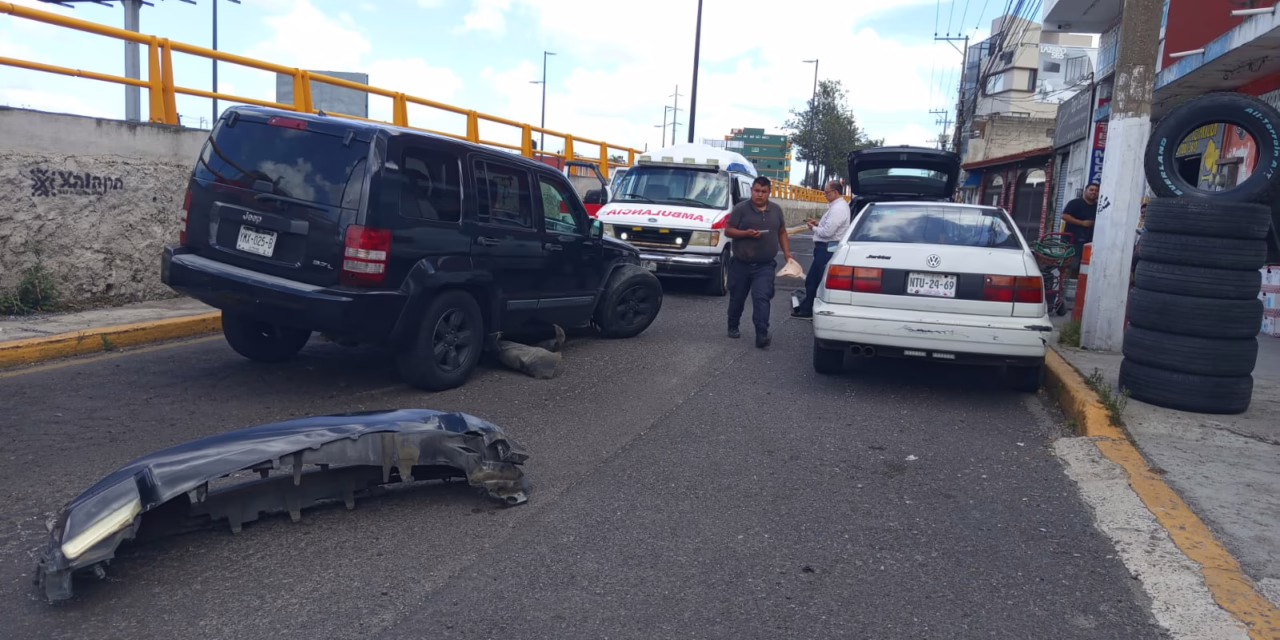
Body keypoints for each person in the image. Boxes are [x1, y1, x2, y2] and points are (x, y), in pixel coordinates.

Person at [725, 175, 792, 348]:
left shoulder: (776, 210)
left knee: (762, 297)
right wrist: (746, 233)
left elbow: (782, 232)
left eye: (763, 191)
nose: (759, 194)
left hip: (765, 265)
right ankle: (733, 325)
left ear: (769, 192)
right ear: (751, 190)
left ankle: (762, 333)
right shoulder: (741, 209)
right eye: (756, 191)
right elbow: (728, 231)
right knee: (737, 298)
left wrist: (787, 253)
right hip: (741, 264)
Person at [792, 180, 851, 319]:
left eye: (827, 192)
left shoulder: (838, 209)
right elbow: (829, 226)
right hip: (825, 248)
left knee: (816, 280)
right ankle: (808, 308)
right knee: (813, 280)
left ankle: (808, 311)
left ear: (835, 192)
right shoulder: (837, 207)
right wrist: (819, 223)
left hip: (826, 249)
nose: (824, 195)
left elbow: (827, 233)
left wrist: (813, 228)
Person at [1061, 183, 1099, 275]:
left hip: (1090, 242)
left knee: (1085, 268)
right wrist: (1082, 223)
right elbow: (1064, 216)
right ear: (1085, 191)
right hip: (1073, 241)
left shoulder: (1099, 206)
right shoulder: (1075, 203)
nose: (1094, 192)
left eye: (1096, 191)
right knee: (1070, 267)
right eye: (1091, 190)